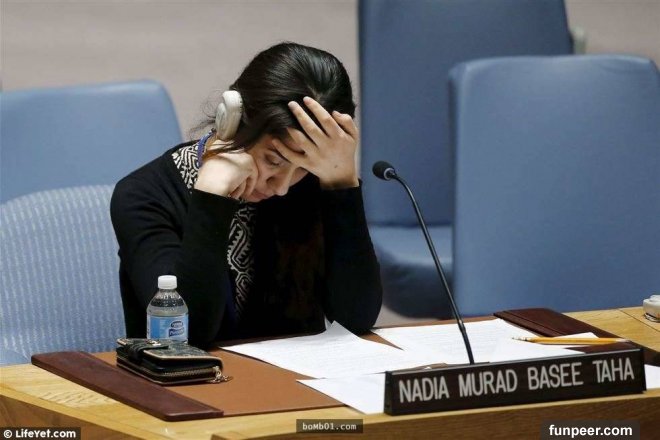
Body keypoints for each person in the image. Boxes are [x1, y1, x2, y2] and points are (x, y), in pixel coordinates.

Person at [110, 42, 383, 348]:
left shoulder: (316, 184)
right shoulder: (144, 195)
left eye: (304, 167)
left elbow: (356, 319)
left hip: (286, 376)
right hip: (187, 376)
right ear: (232, 120)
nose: (282, 187)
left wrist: (342, 183)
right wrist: (211, 197)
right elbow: (187, 337)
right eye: (273, 161)